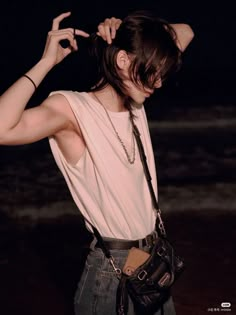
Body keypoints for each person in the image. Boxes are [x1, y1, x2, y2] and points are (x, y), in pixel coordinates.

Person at [0, 10, 194, 315]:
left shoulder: (135, 97)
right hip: (111, 273)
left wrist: (127, 30)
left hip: (152, 263)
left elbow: (185, 31)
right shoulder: (72, 109)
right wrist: (45, 63)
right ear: (123, 62)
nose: (158, 83)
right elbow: (2, 128)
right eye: (153, 71)